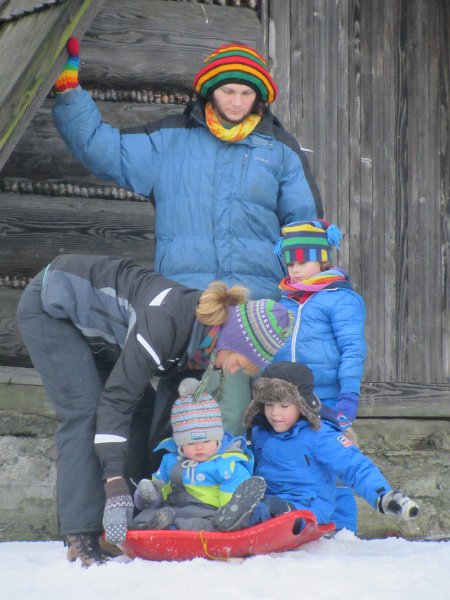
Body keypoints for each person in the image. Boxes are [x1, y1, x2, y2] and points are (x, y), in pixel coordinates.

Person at [52, 38, 323, 436]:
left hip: (254, 312)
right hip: (187, 307)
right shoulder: (170, 140)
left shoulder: (279, 150)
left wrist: (304, 299)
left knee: (254, 420)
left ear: (259, 97)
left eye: (246, 93)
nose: (237, 102)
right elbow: (103, 149)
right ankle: (168, 477)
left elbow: (304, 228)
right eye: (228, 91)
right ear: (210, 91)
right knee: (180, 417)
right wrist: (69, 93)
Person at [16, 254, 293, 567]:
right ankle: (81, 534)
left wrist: (163, 492)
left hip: (100, 330)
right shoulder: (166, 324)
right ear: (231, 340)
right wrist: (115, 484)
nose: (232, 371)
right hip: (53, 305)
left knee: (144, 414)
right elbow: (117, 401)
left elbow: (169, 420)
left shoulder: (202, 342)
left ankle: (130, 522)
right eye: (238, 363)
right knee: (88, 412)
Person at [244, 362, 420, 530]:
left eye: (284, 406)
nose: (275, 413)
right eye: (268, 405)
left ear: (302, 405)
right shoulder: (260, 432)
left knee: (270, 510)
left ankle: (260, 517)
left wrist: (383, 495)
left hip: (307, 507)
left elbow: (354, 465)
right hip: (267, 501)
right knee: (252, 507)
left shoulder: (319, 434)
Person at [273, 219, 367, 531]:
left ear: (323, 260)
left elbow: (352, 349)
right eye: (291, 263)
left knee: (334, 463)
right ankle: (304, 530)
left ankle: (343, 533)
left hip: (326, 397)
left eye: (303, 262)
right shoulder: (285, 301)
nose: (295, 270)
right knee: (298, 465)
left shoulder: (341, 299)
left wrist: (349, 395)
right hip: (288, 400)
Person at [131, 378, 266, 532]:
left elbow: (232, 498)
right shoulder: (171, 461)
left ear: (218, 438)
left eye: (206, 441)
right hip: (174, 510)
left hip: (211, 513)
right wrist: (150, 495)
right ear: (180, 444)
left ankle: (171, 529)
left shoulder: (227, 464)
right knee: (144, 516)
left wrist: (229, 512)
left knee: (201, 525)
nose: (199, 447)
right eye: (191, 443)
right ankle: (149, 526)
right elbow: (162, 491)